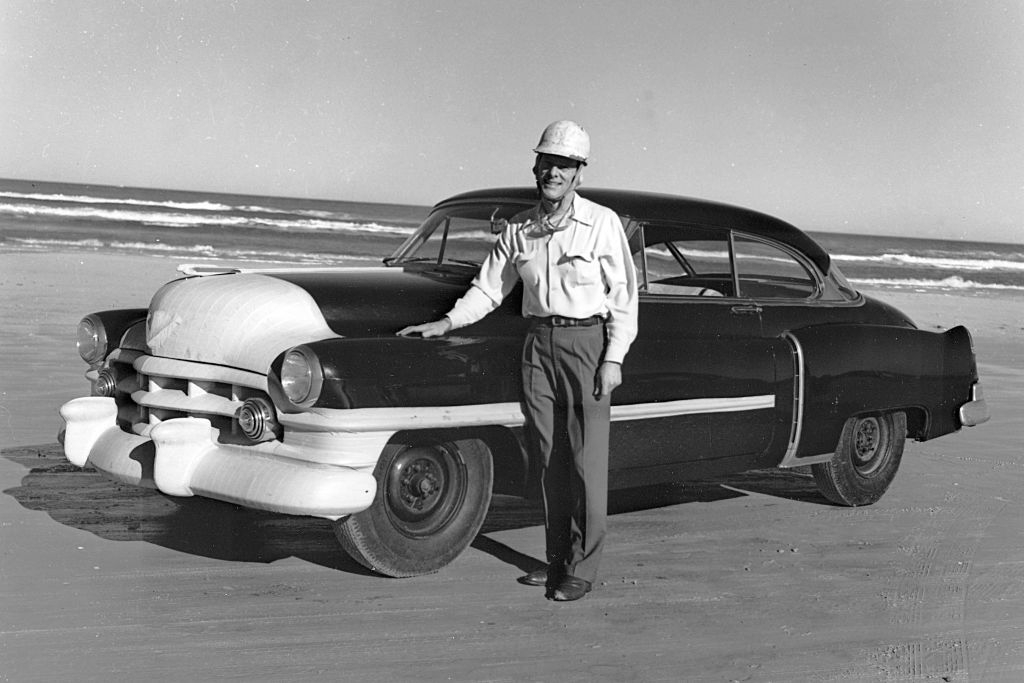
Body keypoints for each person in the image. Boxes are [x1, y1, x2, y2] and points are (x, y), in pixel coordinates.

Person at [397, 120, 638, 601]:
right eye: (547, 162)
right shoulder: (520, 230)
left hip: (587, 344)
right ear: (536, 167)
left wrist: (612, 359)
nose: (554, 171)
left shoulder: (602, 223)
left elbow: (625, 300)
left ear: (579, 174)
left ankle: (582, 568)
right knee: (548, 458)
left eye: (565, 165)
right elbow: (488, 288)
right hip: (537, 346)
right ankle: (555, 562)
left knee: (587, 462)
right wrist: (445, 324)